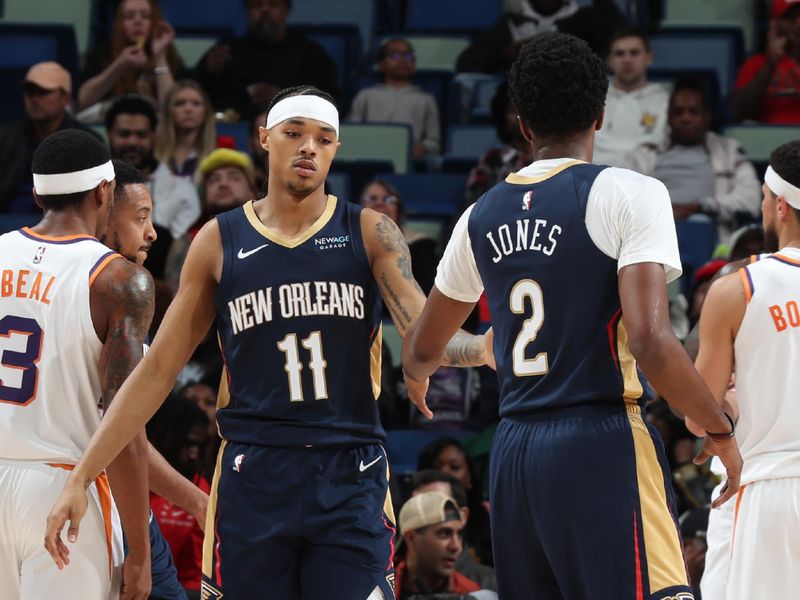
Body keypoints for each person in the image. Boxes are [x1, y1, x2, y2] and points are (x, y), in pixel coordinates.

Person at [44, 85, 491, 599]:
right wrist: (83, 474)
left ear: (336, 150)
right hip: (253, 473)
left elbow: (420, 326)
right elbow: (156, 370)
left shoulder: (369, 231)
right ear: (264, 138)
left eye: (324, 139)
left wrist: (478, 348)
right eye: (295, 133)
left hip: (349, 471)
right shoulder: (219, 239)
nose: (309, 148)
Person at [402, 33, 743, 600]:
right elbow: (653, 342)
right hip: (601, 441)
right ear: (601, 115)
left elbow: (421, 350)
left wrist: (439, 366)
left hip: (514, 454)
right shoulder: (630, 192)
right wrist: (718, 430)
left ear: (523, 124)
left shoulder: (477, 216)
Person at [0, 130, 151, 598]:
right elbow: (123, 431)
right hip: (66, 487)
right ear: (105, 190)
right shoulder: (119, 280)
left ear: (39, 192)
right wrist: (141, 555)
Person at [690, 140, 800, 600]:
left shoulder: (739, 288)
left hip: (766, 491)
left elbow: (699, 417)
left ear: (779, 204)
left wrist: (733, 402)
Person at [625, 77, 761, 241]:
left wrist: (700, 207)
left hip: (711, 239)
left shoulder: (729, 151)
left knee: (699, 221)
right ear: (668, 118)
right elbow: (625, 200)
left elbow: (751, 199)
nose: (686, 118)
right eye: (678, 112)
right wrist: (664, 210)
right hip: (655, 234)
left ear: (706, 116)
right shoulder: (644, 153)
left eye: (693, 112)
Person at [192, 0, 339, 118]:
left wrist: (285, 99)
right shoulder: (227, 51)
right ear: (247, 11)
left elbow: (329, 101)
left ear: (287, 10)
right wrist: (208, 71)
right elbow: (194, 92)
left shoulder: (310, 53)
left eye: (273, 4)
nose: (265, 10)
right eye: (257, 5)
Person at [0, 62, 99, 213]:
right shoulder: (5, 138)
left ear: (65, 98)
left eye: (43, 92)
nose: (34, 99)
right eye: (29, 92)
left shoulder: (87, 142)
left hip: (66, 222)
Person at [147, 398, 211, 598]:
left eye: (199, 447)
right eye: (188, 444)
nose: (194, 455)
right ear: (165, 436)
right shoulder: (124, 477)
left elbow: (197, 574)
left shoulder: (198, 488)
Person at [455, 0, 625, 74]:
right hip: (523, 97)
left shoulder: (584, 19)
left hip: (572, 92)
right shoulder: (511, 23)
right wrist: (504, 55)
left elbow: (622, 35)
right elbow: (465, 63)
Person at [78, 0, 181, 113]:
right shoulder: (101, 54)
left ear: (156, 22)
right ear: (119, 23)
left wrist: (160, 58)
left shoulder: (169, 56)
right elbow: (83, 101)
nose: (137, 21)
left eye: (145, 16)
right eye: (129, 16)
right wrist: (118, 66)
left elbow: (173, 110)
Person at [348, 38, 441, 158]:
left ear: (414, 65)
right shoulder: (366, 95)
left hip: (410, 158)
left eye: (408, 56)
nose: (402, 60)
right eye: (395, 55)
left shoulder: (425, 99)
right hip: (370, 154)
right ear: (381, 64)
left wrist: (423, 147)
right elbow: (352, 132)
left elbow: (434, 141)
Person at [394, 492, 493, 600]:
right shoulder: (380, 589)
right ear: (411, 538)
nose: (456, 546)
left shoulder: (471, 593)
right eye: (444, 533)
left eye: (459, 534)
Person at [593, 28, 668, 167]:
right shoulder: (593, 99)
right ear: (609, 60)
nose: (627, 60)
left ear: (648, 58)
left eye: (634, 53)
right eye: (620, 54)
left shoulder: (666, 103)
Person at [731, 0, 800, 124]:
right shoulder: (756, 64)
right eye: (790, 17)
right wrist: (770, 64)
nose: (799, 24)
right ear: (774, 25)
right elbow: (737, 113)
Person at [155, 80, 217, 178]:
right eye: (180, 103)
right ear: (169, 111)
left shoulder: (216, 156)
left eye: (196, 104)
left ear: (205, 112)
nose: (188, 109)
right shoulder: (154, 154)